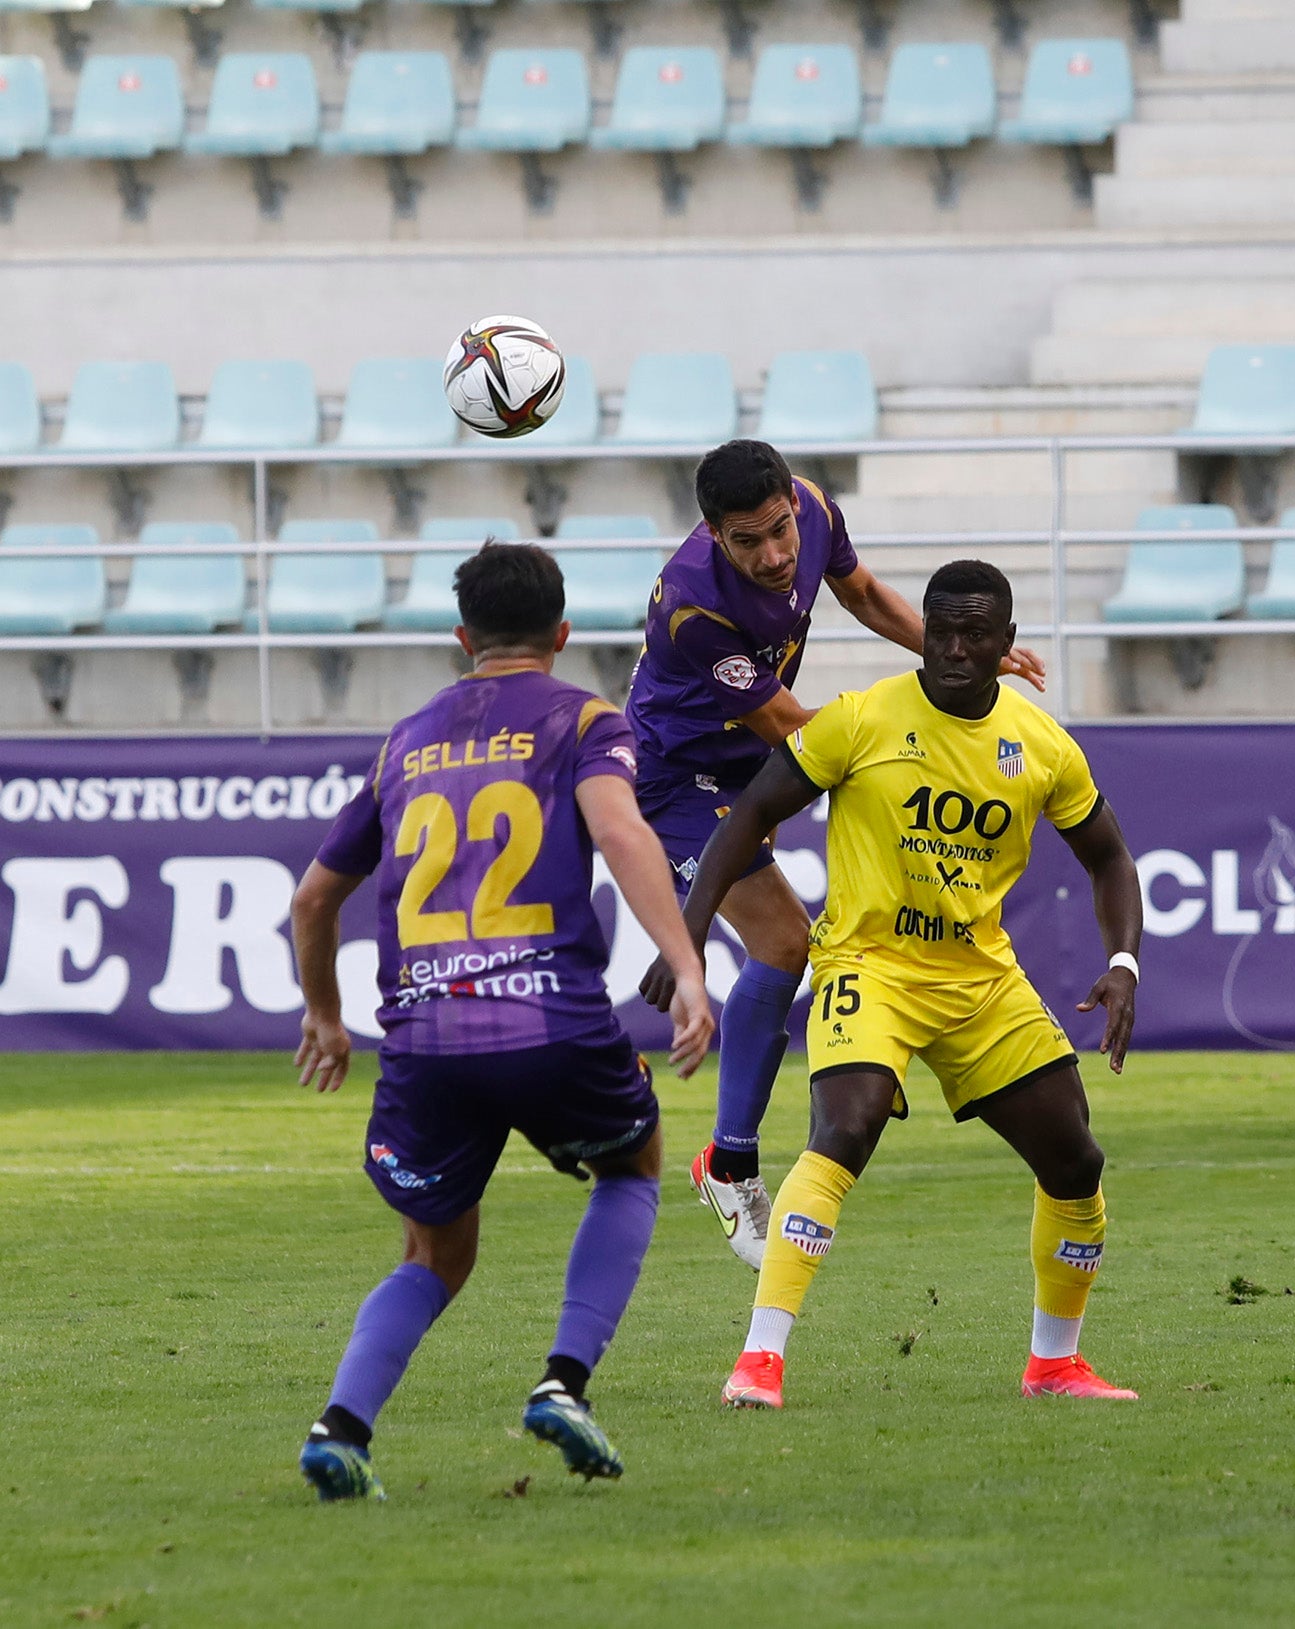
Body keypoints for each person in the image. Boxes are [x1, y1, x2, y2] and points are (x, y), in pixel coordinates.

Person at [642, 559, 1141, 1408]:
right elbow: (753, 811)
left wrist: (1123, 961)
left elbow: (1109, 857)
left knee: (1076, 1156)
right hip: (869, 966)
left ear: (1006, 644)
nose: (952, 648)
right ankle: (760, 1359)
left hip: (980, 979)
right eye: (939, 630)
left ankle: (1053, 1364)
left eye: (974, 634)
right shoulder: (862, 719)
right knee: (848, 1123)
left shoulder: (1042, 746)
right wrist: (686, 930)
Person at [291, 542, 714, 1500]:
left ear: (460, 639)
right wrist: (685, 968)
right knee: (632, 1164)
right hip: (551, 1019)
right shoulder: (584, 717)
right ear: (563, 635)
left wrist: (325, 1014)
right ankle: (563, 1381)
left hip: (426, 1035)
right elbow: (618, 828)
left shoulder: (404, 740)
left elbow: (315, 899)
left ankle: (342, 1425)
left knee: (436, 1251)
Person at [627, 440, 1046, 1269]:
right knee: (786, 940)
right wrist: (917, 728)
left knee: (805, 936)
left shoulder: (815, 506)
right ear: (713, 534)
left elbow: (859, 592)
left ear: (793, 501)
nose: (776, 555)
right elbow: (789, 725)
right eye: (748, 543)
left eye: (780, 530)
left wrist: (956, 651)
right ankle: (730, 1160)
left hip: (750, 757)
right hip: (681, 775)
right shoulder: (693, 606)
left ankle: (845, 1065)